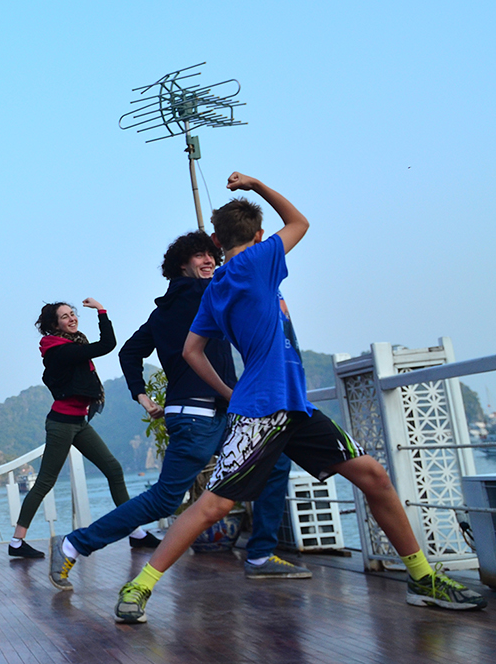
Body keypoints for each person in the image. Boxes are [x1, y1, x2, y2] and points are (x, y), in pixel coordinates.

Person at [113, 173, 488, 624]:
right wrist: (255, 185)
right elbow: (299, 221)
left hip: (289, 406)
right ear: (256, 237)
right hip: (263, 409)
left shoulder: (216, 289)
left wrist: (229, 391)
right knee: (215, 503)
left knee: (371, 476)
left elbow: (192, 351)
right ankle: (140, 585)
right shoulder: (257, 260)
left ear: (215, 240)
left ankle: (422, 579)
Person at [48, 231, 308, 590]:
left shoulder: (162, 312)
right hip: (198, 417)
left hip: (218, 414)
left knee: (276, 460)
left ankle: (261, 553)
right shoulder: (210, 293)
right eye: (200, 256)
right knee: (165, 498)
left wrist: (141, 394)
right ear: (182, 263)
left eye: (212, 256)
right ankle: (74, 543)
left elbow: (128, 352)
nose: (210, 262)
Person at [9, 299, 141, 559]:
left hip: (79, 422)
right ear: (54, 325)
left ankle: (135, 533)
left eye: (73, 314)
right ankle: (16, 541)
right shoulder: (59, 350)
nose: (72, 319)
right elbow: (107, 345)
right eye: (65, 317)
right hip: (61, 424)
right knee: (46, 481)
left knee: (113, 469)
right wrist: (102, 311)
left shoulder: (72, 344)